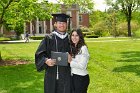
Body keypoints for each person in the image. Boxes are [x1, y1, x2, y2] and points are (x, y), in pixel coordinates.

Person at [35, 13, 72, 93]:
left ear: (66, 24)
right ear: (55, 24)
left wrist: (72, 58)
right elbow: (39, 54)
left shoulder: (71, 39)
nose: (62, 25)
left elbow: (78, 55)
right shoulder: (49, 38)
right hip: (52, 75)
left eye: (64, 23)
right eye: (60, 23)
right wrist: (46, 60)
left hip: (67, 76)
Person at [69, 29, 90, 93]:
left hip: (81, 78)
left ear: (80, 37)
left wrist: (70, 62)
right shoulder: (72, 47)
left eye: (76, 35)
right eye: (72, 35)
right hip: (73, 77)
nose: (74, 37)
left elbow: (82, 66)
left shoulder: (83, 48)